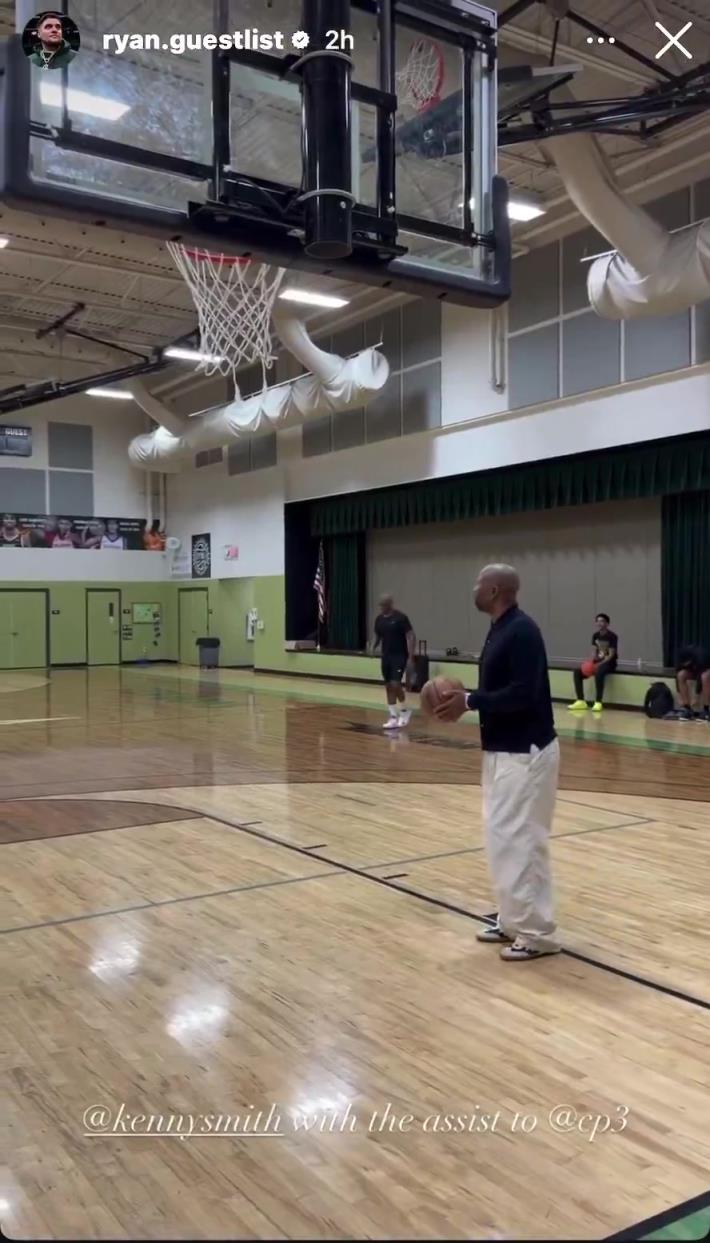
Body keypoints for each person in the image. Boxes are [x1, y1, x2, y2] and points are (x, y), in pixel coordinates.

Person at [435, 564, 560, 962]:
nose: (473, 588)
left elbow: (523, 693)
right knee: (502, 839)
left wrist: (471, 700)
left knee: (522, 841)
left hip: (526, 753)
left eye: (478, 583)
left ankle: (536, 934)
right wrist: (468, 699)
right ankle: (512, 919)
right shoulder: (500, 629)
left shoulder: (522, 631)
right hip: (502, 751)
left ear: (494, 590)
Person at [372, 594, 415, 730]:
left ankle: (405, 710)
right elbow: (377, 636)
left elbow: (411, 636)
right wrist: (372, 647)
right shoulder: (379, 620)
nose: (382, 607)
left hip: (399, 656)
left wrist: (411, 657)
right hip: (386, 657)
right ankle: (392, 716)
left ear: (390, 604)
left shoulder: (401, 618)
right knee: (388, 686)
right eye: (381, 605)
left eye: (384, 605)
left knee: (396, 684)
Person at [569, 612, 619, 713]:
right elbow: (593, 651)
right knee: (577, 671)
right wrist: (591, 662)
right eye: (598, 621)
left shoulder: (612, 636)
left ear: (607, 623)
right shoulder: (595, 635)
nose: (599, 623)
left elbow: (611, 655)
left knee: (599, 672)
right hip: (598, 661)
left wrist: (599, 664)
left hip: (609, 663)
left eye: (602, 621)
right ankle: (580, 701)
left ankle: (598, 702)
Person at [675, 645, 710, 722]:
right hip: (695, 669)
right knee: (681, 675)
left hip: (706, 668)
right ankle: (687, 708)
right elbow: (677, 673)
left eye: (686, 664)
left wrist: (696, 696)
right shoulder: (680, 656)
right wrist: (678, 694)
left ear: (690, 660)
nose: (684, 666)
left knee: (704, 677)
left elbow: (700, 676)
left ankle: (706, 710)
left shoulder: (700, 657)